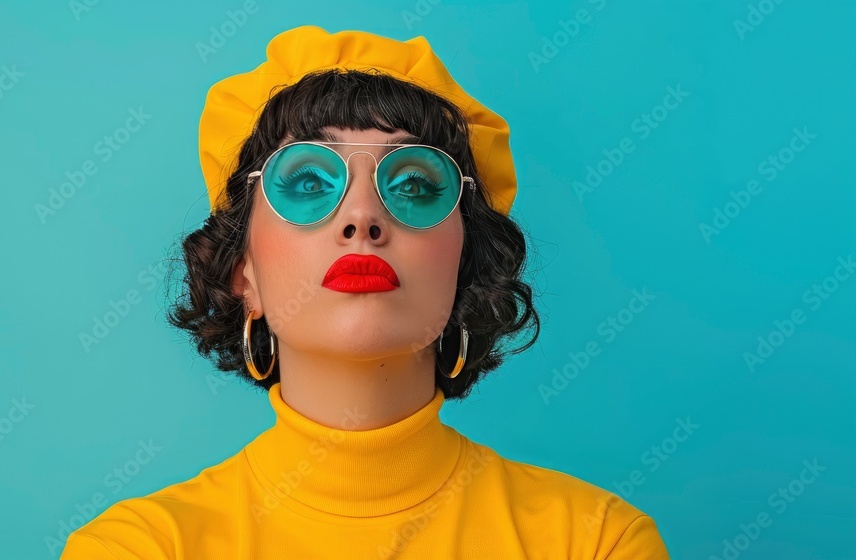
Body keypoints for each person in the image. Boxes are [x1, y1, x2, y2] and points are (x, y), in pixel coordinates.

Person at [60, 25, 670, 559]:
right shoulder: (137, 549)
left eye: (410, 182)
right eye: (306, 180)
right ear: (242, 272)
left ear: (466, 263)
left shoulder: (594, 542)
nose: (361, 215)